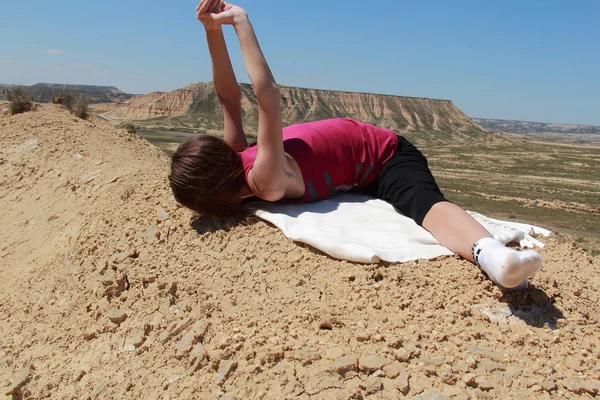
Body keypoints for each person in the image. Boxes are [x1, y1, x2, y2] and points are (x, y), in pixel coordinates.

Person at [169, 0, 542, 290]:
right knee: (424, 205)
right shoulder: (264, 179)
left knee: (421, 202)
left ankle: (493, 255)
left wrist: (210, 31)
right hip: (382, 160)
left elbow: (228, 99)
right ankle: (493, 256)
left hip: (374, 155)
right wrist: (240, 23)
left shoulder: (238, 161)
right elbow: (268, 97)